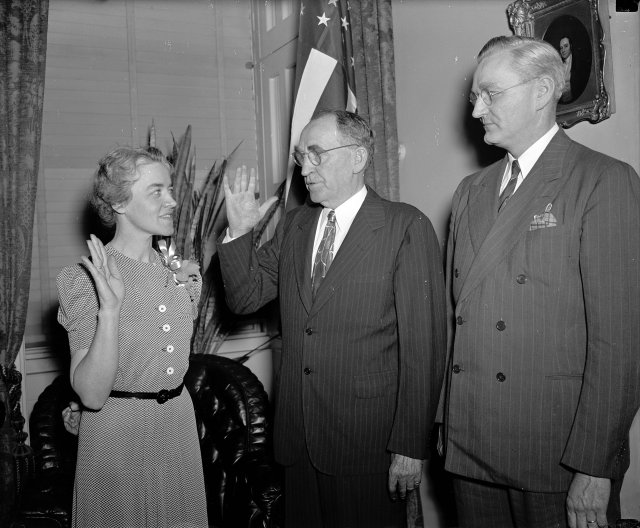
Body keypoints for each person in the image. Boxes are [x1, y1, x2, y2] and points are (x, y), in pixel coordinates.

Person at [441, 35, 640, 528]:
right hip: (472, 448)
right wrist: (447, 422)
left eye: (490, 93)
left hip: (554, 451)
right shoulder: (471, 191)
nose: (476, 109)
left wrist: (595, 466)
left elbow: (621, 342)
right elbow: (455, 323)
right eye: (473, 97)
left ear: (542, 89)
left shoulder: (602, 180)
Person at [218, 110, 447, 527]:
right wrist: (238, 235)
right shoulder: (295, 225)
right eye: (301, 155)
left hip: (367, 443)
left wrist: (410, 446)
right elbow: (246, 297)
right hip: (297, 440)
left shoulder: (404, 226)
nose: (304, 168)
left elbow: (424, 348)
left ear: (358, 157)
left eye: (316, 154)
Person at [56, 146, 208, 527]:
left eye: (170, 189)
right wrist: (109, 310)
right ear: (119, 203)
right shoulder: (86, 279)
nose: (172, 200)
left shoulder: (183, 272)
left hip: (178, 426)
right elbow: (90, 395)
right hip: (116, 435)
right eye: (156, 191)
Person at [558, 36, 589, 103]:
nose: (563, 50)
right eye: (561, 48)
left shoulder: (579, 62)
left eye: (566, 46)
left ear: (571, 46)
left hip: (576, 101)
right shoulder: (558, 65)